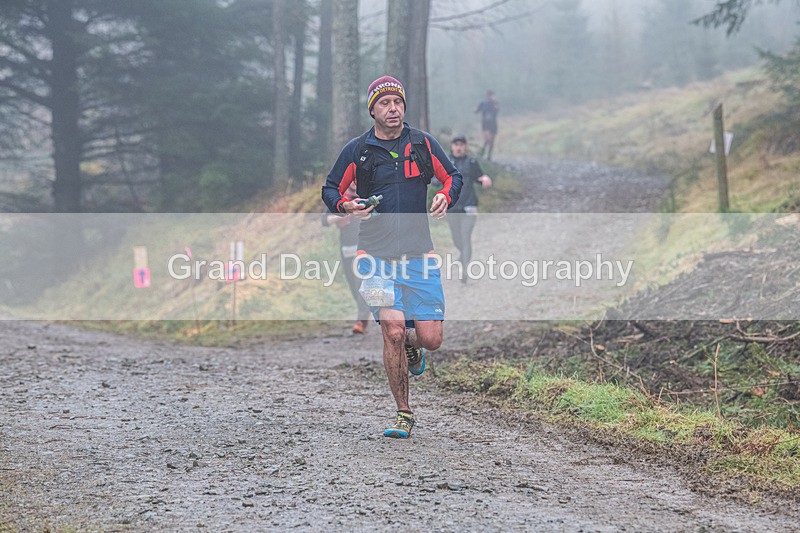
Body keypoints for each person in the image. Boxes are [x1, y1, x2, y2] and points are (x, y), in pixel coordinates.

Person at [322, 75, 462, 439]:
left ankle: (414, 348)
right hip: (374, 258)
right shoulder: (359, 151)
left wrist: (446, 196)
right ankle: (403, 413)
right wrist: (345, 205)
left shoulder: (421, 144)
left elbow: (453, 177)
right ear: (373, 110)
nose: (393, 109)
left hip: (419, 255)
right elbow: (330, 188)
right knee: (393, 329)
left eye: (397, 102)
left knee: (430, 338)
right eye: (384, 103)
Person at [321, 181, 372, 334]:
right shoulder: (340, 200)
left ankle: (361, 320)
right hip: (346, 247)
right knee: (353, 285)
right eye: (352, 180)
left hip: (365, 247)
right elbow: (324, 220)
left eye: (358, 179)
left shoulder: (368, 197)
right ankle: (366, 312)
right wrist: (340, 215)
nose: (355, 183)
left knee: (360, 281)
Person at [445, 135, 492, 282]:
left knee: (465, 238)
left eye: (461, 144)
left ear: (466, 146)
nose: (459, 147)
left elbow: (480, 176)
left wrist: (484, 179)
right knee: (456, 239)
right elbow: (435, 180)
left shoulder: (471, 162)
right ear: (452, 146)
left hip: (469, 206)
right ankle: (462, 256)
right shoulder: (446, 162)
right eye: (456, 144)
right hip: (452, 207)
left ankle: (464, 270)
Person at [475, 90, 499, 160]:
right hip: (485, 123)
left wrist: (494, 104)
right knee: (487, 139)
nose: (492, 97)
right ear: (487, 96)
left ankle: (489, 155)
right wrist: (474, 110)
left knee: (492, 140)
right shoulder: (483, 103)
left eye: (493, 96)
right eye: (490, 96)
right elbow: (477, 110)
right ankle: (482, 151)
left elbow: (498, 109)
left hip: (493, 123)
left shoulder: (496, 103)